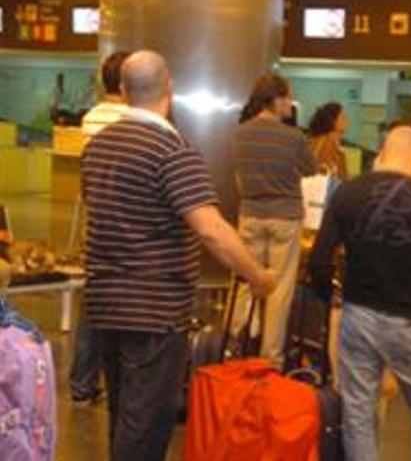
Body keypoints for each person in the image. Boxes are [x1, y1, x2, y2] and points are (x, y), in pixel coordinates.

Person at [81, 50, 274, 461]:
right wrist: (257, 275)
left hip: (104, 302)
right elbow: (211, 229)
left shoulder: (98, 146)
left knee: (123, 412)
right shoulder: (171, 150)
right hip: (153, 307)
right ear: (169, 88)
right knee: (147, 421)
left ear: (123, 90)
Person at [308, 125, 411, 461]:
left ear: (381, 153)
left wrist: (329, 297)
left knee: (359, 414)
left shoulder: (346, 193)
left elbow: (319, 260)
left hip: (358, 315)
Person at [232, 73, 317, 369]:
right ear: (277, 99)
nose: (290, 105)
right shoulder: (293, 137)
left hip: (250, 215)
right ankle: (270, 359)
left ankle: (236, 344)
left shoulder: (240, 133)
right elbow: (310, 170)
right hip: (285, 218)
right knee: (279, 291)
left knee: (247, 281)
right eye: (288, 99)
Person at [69, 51, 131, 407]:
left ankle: (82, 381)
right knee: (116, 305)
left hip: (96, 217)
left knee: (92, 299)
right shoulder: (128, 118)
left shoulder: (92, 117)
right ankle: (115, 382)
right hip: (123, 219)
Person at [307, 101, 349, 179]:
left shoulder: (337, 147)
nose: (346, 119)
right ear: (333, 121)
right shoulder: (321, 142)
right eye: (342, 117)